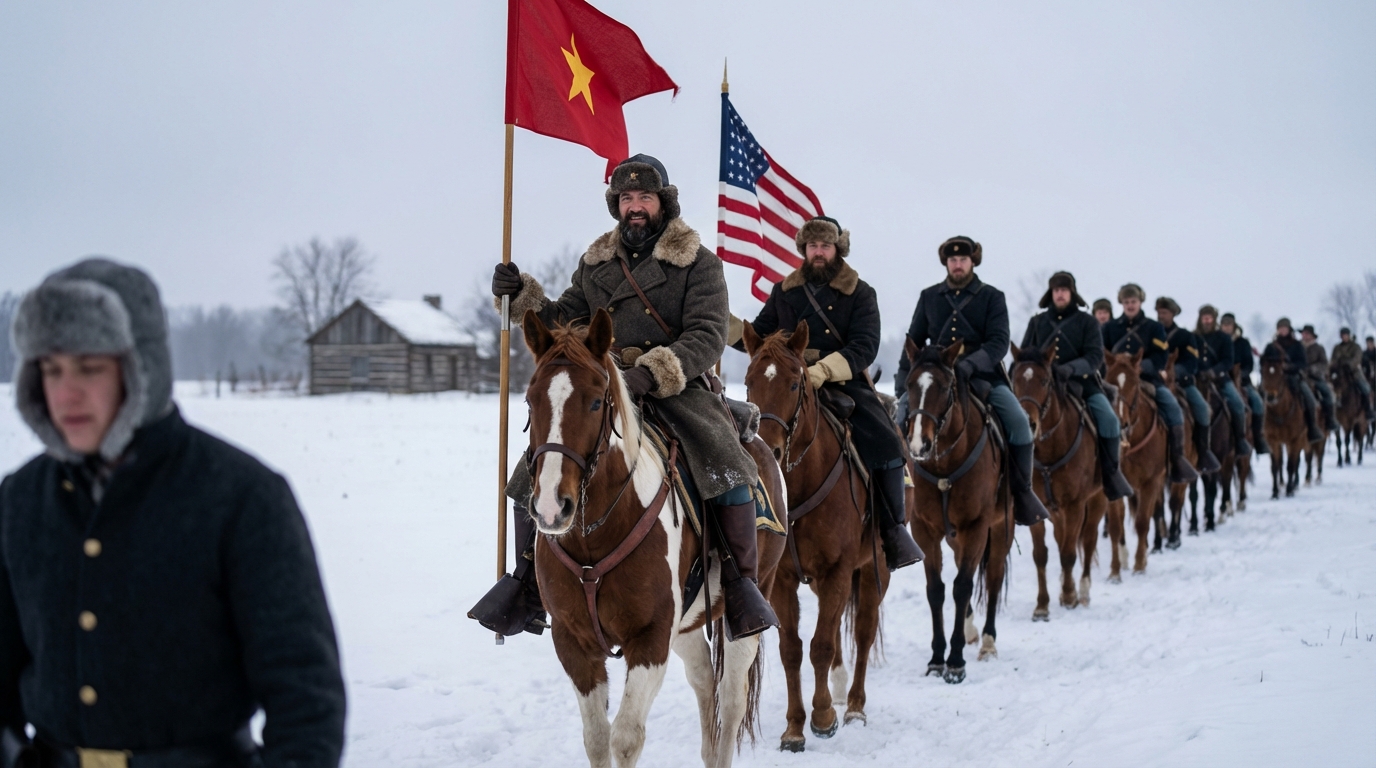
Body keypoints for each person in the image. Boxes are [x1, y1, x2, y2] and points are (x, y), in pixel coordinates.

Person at [0, 259, 346, 768]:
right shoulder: (20, 498)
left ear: (142, 368)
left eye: (90, 367)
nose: (66, 393)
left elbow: (305, 697)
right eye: (51, 369)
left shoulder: (241, 495)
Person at [473, 154, 779, 641]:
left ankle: (741, 587)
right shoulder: (596, 264)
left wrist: (651, 374)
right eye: (627, 198)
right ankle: (527, 583)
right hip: (602, 387)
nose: (635, 206)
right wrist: (521, 297)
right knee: (532, 471)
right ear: (617, 205)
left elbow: (707, 335)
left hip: (678, 387)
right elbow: (564, 320)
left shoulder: (700, 263)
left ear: (664, 203)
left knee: (726, 462)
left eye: (645, 197)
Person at [736, 216, 924, 570]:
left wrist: (823, 370)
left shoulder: (861, 292)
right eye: (813, 246)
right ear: (804, 250)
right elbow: (758, 336)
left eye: (825, 246)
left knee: (886, 440)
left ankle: (894, 531)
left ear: (838, 250)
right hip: (788, 381)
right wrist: (724, 323)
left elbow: (865, 345)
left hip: (843, 381)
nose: (819, 252)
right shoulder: (784, 292)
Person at [893, 236, 1049, 526]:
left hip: (983, 376)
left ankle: (1022, 493)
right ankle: (897, 496)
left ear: (972, 262)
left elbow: (999, 342)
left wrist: (968, 365)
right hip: (936, 378)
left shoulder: (992, 296)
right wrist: (903, 383)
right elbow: (913, 341)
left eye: (963, 260)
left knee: (1018, 424)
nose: (957, 264)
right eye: (953, 260)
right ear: (946, 263)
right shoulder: (929, 296)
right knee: (898, 419)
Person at [1018, 272, 1134, 500]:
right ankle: (1016, 478)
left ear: (1072, 293)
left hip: (1082, 384)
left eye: (1064, 290)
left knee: (1110, 421)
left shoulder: (1087, 322)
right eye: (1056, 290)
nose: (1060, 294)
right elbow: (1024, 355)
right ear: (1051, 294)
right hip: (1042, 386)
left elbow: (1095, 357)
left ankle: (1111, 475)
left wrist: (1070, 369)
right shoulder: (1037, 322)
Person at [1102, 283, 1199, 484]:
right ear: (1121, 303)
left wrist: (1140, 366)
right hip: (1114, 383)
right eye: (1126, 302)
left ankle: (1177, 459)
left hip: (1147, 380)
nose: (1130, 305)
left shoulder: (1154, 327)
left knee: (1173, 409)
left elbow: (1161, 356)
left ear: (1140, 302)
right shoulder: (1109, 328)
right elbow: (1101, 355)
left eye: (1133, 301)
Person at [1155, 297, 1221, 472]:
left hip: (1182, 383)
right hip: (1154, 381)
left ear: (1173, 314)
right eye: (1159, 312)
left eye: (1165, 313)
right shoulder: (1151, 332)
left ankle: (1203, 452)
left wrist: (1174, 372)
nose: (1161, 316)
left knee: (1202, 409)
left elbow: (1192, 363)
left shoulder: (1185, 336)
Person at [1195, 304, 1252, 455]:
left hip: (1220, 380)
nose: (1207, 321)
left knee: (1237, 403)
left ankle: (1240, 440)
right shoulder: (1193, 337)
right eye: (1204, 318)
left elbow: (1228, 361)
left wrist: (1213, 372)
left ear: (1214, 319)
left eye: (1209, 318)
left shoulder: (1224, 338)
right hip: (1197, 379)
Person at [1220, 313, 1270, 454]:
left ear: (1234, 326)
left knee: (1257, 402)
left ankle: (1257, 438)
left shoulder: (1243, 343)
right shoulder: (1217, 340)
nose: (1226, 328)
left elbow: (1249, 364)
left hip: (1242, 382)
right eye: (1224, 325)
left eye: (1229, 325)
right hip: (1219, 380)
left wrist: (1240, 374)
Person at [1270, 318, 1324, 442]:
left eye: (1285, 328)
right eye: (1280, 328)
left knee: (1310, 400)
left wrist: (1289, 367)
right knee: (1263, 396)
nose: (1282, 330)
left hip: (1294, 377)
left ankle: (1312, 428)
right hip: (1276, 379)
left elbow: (1302, 363)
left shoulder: (1297, 345)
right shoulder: (1272, 346)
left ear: (1289, 329)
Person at [1300, 324, 1340, 431]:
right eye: (1303, 333)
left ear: (1312, 335)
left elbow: (1324, 364)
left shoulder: (1319, 348)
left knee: (1327, 393)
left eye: (1306, 334)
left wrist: (1313, 369)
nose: (1304, 335)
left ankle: (1330, 419)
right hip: (1298, 377)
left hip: (1314, 378)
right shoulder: (1297, 346)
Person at [1331, 327, 1375, 421]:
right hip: (1340, 373)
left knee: (1365, 389)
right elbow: (1333, 360)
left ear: (1349, 336)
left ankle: (1368, 410)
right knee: (1331, 388)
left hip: (1353, 373)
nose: (1344, 337)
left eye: (1345, 335)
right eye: (1343, 335)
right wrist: (1334, 367)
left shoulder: (1356, 347)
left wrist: (1348, 364)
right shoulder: (1337, 348)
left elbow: (1357, 359)